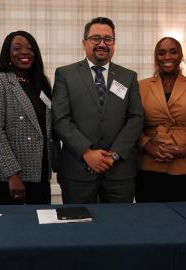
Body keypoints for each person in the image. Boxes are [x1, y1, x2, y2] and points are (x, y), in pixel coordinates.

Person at [52, 17, 144, 204]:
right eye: (96, 38)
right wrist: (87, 153)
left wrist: (114, 155)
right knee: (79, 229)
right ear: (84, 42)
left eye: (108, 39)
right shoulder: (65, 74)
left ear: (114, 44)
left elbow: (136, 118)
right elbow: (61, 119)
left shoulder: (129, 76)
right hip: (77, 172)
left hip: (119, 172)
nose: (102, 44)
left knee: (119, 228)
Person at [136, 37, 186, 202]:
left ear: (181, 56)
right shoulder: (140, 86)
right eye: (162, 53)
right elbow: (131, 123)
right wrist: (147, 145)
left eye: (173, 52)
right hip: (150, 164)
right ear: (155, 57)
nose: (167, 57)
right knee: (151, 219)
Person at [0, 31, 54, 205]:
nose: (24, 52)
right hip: (9, 178)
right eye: (17, 48)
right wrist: (12, 174)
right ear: (8, 53)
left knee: (39, 228)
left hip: (40, 172)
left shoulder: (41, 83)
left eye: (30, 48)